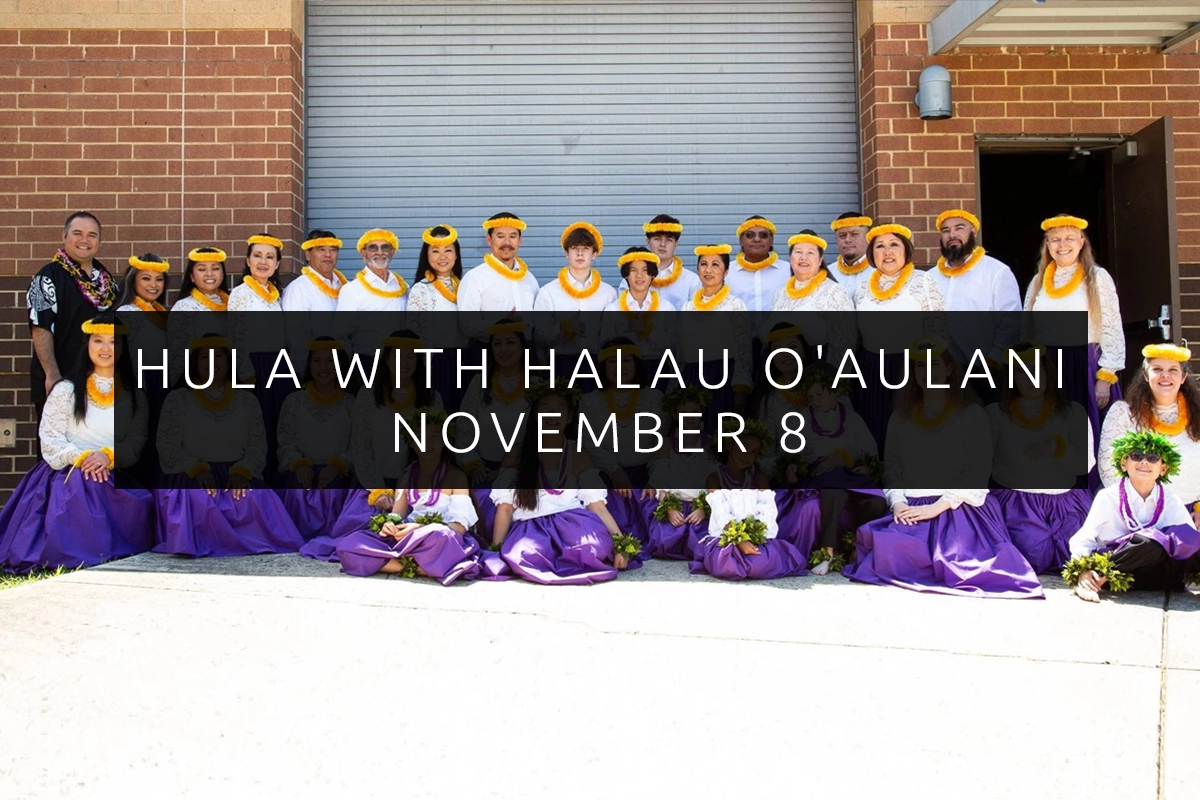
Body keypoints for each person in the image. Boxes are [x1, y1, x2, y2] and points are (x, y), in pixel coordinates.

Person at [843, 341, 1043, 598]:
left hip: (957, 509)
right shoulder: (900, 416)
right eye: (920, 366)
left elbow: (977, 474)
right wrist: (898, 503)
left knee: (957, 561)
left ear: (949, 369)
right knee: (886, 552)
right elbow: (893, 468)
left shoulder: (972, 414)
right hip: (912, 508)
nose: (927, 371)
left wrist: (937, 507)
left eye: (934, 364)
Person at [0, 315, 153, 572]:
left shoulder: (135, 394)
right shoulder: (66, 390)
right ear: (87, 345)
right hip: (68, 471)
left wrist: (107, 456)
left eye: (114, 342)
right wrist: (82, 459)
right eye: (98, 341)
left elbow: (136, 441)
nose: (106, 348)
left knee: (141, 503)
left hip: (113, 469)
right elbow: (50, 438)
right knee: (80, 489)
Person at [153, 335, 304, 557]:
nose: (212, 362)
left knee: (251, 497)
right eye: (205, 356)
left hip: (236, 472)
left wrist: (243, 471)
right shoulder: (178, 399)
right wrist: (196, 469)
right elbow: (167, 446)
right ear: (195, 362)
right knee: (198, 497)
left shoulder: (247, 401)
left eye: (219, 356)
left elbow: (257, 446)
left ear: (228, 362)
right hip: (190, 473)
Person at [301, 331, 444, 559]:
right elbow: (361, 447)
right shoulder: (368, 396)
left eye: (410, 356)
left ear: (419, 361)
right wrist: (377, 490)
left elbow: (434, 450)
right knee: (367, 538)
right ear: (386, 359)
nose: (403, 363)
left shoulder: (432, 398)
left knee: (420, 538)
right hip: (373, 485)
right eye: (396, 356)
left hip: (415, 486)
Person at [490, 383, 635, 585]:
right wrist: (496, 551)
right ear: (535, 415)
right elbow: (505, 508)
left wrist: (622, 545)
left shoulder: (578, 454)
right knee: (525, 552)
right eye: (546, 409)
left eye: (559, 410)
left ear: (568, 418)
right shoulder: (518, 454)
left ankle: (567, 556)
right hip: (532, 526)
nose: (552, 415)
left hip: (573, 522)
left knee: (595, 547)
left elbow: (597, 507)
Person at [333, 409, 486, 584]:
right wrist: (390, 525)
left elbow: (458, 528)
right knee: (349, 544)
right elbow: (397, 515)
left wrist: (421, 528)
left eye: (433, 437)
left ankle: (399, 564)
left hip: (440, 539)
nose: (426, 443)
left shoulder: (455, 476)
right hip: (409, 540)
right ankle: (419, 567)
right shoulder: (408, 476)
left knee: (442, 535)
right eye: (419, 437)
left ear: (445, 441)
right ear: (411, 443)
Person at [1024, 214, 1124, 468]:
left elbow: (1111, 327)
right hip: (1046, 367)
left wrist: (1105, 378)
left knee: (1084, 435)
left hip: (1083, 364)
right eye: (1055, 239)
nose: (1062, 244)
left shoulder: (1097, 277)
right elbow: (1027, 330)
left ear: (1082, 242)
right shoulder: (1039, 281)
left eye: (1069, 238)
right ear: (1047, 245)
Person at [987, 342, 1092, 574]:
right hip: (1018, 504)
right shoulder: (995, 414)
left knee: (1075, 556)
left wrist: (1057, 447)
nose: (1030, 378)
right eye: (1021, 373)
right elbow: (982, 466)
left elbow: (1085, 465)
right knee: (1034, 555)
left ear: (1048, 373)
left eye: (1036, 370)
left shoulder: (1073, 411)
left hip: (1066, 503)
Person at [1069, 431, 1200, 602]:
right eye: (1137, 456)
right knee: (1148, 540)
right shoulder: (1108, 497)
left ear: (1163, 469)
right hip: (1116, 575)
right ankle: (1095, 580)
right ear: (1124, 464)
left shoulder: (1171, 500)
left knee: (1177, 538)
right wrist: (1083, 572)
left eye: (1153, 457)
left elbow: (1191, 541)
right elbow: (1083, 539)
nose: (1144, 461)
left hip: (1159, 576)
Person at [854, 223, 946, 450]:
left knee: (909, 429)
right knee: (874, 427)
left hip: (911, 368)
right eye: (880, 246)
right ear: (871, 254)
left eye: (894, 244)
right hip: (871, 368)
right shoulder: (862, 286)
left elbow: (939, 331)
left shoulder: (922, 281)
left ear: (906, 249)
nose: (887, 252)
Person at [792, 361, 887, 576]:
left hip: (850, 476)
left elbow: (870, 452)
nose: (814, 401)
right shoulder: (803, 419)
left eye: (820, 394)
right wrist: (798, 459)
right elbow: (792, 451)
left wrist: (846, 459)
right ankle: (827, 553)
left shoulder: (852, 419)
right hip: (822, 476)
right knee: (833, 493)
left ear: (836, 391)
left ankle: (859, 550)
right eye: (810, 396)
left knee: (876, 501)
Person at [689, 418, 807, 580]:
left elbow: (768, 511)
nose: (748, 456)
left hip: (755, 538)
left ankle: (754, 561)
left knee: (761, 562)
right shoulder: (714, 479)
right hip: (727, 538)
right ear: (730, 445)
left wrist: (754, 535)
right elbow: (721, 513)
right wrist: (739, 540)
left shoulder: (760, 479)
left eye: (754, 452)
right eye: (744, 448)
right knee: (728, 565)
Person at [27, 212, 118, 416]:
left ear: (99, 242)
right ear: (64, 236)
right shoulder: (47, 278)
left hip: (101, 385)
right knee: (58, 445)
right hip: (62, 379)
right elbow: (41, 327)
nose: (84, 240)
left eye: (92, 235)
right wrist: (52, 374)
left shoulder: (108, 283)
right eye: (77, 233)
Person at [1099, 343, 1200, 525]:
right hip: (1135, 516)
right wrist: (1135, 511)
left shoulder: (1198, 414)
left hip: (1192, 515)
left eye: (1173, 370)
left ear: (1183, 377)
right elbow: (1109, 469)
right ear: (1146, 375)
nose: (1165, 375)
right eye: (1157, 369)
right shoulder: (1123, 413)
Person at [577, 339, 662, 548]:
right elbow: (588, 442)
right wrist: (613, 469)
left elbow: (662, 443)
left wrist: (656, 478)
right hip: (608, 478)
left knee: (659, 537)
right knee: (604, 538)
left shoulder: (655, 398)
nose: (620, 367)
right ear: (603, 368)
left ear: (636, 365)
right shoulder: (589, 401)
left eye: (627, 361)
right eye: (612, 362)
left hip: (646, 478)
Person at [274, 338, 356, 541]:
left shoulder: (351, 403)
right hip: (301, 473)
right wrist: (298, 465)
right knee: (298, 490)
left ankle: (334, 539)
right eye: (317, 361)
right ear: (309, 365)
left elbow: (359, 445)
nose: (323, 367)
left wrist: (338, 465)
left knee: (334, 491)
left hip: (338, 474)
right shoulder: (294, 401)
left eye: (330, 361)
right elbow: (285, 443)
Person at [457, 320, 531, 538]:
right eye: (497, 344)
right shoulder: (479, 382)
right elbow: (463, 428)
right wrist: (473, 464)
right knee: (484, 500)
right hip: (484, 470)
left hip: (524, 470)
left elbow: (544, 434)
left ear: (521, 347)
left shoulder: (536, 383)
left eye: (510, 342)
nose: (503, 349)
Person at [228, 233, 291, 476]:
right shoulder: (241, 294)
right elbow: (236, 337)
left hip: (279, 366)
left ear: (277, 264)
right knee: (259, 427)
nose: (263, 261)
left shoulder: (276, 294)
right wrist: (245, 374)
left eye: (269, 257)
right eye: (257, 255)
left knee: (279, 426)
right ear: (247, 260)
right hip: (254, 368)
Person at [928, 209, 1021, 371]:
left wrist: (994, 360)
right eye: (946, 231)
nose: (952, 235)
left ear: (974, 232)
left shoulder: (996, 272)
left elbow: (1011, 322)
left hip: (984, 368)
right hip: (940, 372)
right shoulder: (929, 277)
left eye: (959, 228)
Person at [680, 244, 752, 417]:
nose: (708, 270)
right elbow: (680, 351)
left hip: (723, 377)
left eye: (715, 264)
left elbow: (744, 351)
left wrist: (740, 389)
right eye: (704, 264)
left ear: (726, 271)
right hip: (692, 377)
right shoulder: (688, 307)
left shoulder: (735, 305)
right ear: (697, 269)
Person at [534, 221, 618, 362]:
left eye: (585, 248)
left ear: (594, 254)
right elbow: (538, 336)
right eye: (574, 248)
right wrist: (564, 329)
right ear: (566, 253)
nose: (580, 253)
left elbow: (614, 336)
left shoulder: (608, 293)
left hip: (598, 365)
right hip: (561, 365)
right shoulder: (548, 292)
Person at [647, 387, 714, 560]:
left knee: (701, 544)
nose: (689, 416)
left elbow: (714, 480)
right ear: (675, 415)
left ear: (701, 413)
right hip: (674, 503)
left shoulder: (709, 444)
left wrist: (703, 508)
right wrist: (670, 508)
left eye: (694, 411)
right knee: (664, 543)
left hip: (701, 506)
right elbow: (662, 481)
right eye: (683, 412)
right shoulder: (667, 444)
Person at [768, 230, 856, 361]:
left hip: (818, 367)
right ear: (790, 257)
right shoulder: (780, 293)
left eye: (810, 253)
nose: (803, 257)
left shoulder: (834, 291)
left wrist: (832, 377)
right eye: (798, 252)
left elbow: (846, 341)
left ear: (820, 260)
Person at [406, 224, 465, 410]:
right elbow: (416, 337)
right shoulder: (421, 289)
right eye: (435, 250)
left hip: (465, 361)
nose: (442, 257)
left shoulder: (465, 286)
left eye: (448, 250)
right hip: (438, 364)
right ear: (427, 255)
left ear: (456, 255)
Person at [458, 212, 540, 343]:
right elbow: (467, 324)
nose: (507, 243)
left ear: (520, 240)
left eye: (513, 236)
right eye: (500, 236)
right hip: (490, 354)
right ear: (489, 239)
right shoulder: (475, 278)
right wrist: (501, 327)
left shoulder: (529, 279)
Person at [334, 229, 409, 355]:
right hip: (367, 362)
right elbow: (340, 336)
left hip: (399, 364)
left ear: (392, 252)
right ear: (363, 253)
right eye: (373, 248)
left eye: (385, 247)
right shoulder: (352, 290)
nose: (379, 252)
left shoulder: (403, 287)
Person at [281, 229, 347, 368]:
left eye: (333, 249)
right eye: (321, 249)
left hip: (344, 366)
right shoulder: (299, 289)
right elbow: (296, 338)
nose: (328, 254)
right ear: (308, 254)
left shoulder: (345, 287)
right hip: (316, 371)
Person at [167, 247, 230, 387]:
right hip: (197, 383)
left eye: (215, 268)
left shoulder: (234, 304)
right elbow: (178, 356)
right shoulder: (184, 307)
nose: (209, 274)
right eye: (202, 269)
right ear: (191, 276)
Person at [601, 247, 677, 361]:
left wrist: (648, 330)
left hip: (658, 369)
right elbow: (604, 347)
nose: (639, 275)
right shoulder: (613, 310)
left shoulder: (666, 308)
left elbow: (675, 347)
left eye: (645, 270)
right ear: (626, 274)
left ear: (652, 274)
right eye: (633, 270)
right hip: (624, 369)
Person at [624, 214, 699, 310]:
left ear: (676, 244)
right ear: (647, 241)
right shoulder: (632, 278)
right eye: (657, 238)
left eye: (669, 240)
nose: (662, 244)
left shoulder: (691, 281)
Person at [726, 215, 789, 311]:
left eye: (763, 235)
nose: (757, 239)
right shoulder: (726, 272)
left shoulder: (788, 270)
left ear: (771, 240)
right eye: (750, 235)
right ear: (741, 240)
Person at [827, 212, 873, 304]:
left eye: (854, 234)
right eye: (842, 236)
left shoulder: (879, 271)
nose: (847, 240)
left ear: (868, 238)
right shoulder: (827, 274)